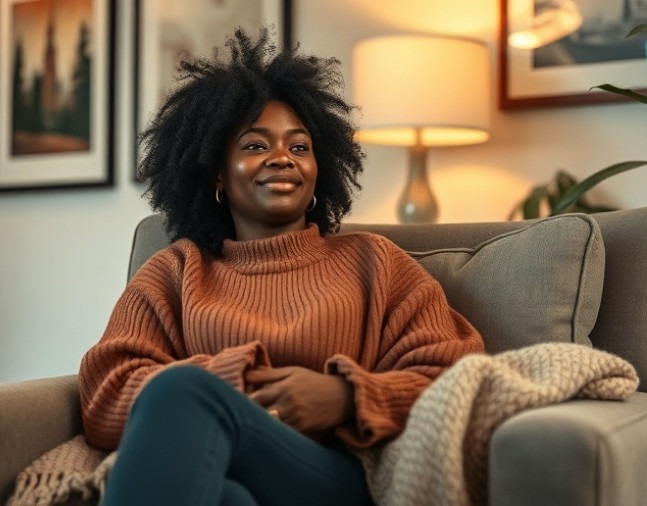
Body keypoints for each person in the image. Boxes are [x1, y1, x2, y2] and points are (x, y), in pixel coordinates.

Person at [79, 28, 484, 506]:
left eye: (299, 147)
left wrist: (345, 397)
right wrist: (236, 381)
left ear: (318, 170)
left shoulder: (374, 262)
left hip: (333, 477)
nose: (281, 159)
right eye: (255, 146)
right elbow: (106, 395)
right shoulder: (176, 271)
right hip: (217, 470)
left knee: (181, 390)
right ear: (216, 172)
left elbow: (456, 379)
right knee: (226, 498)